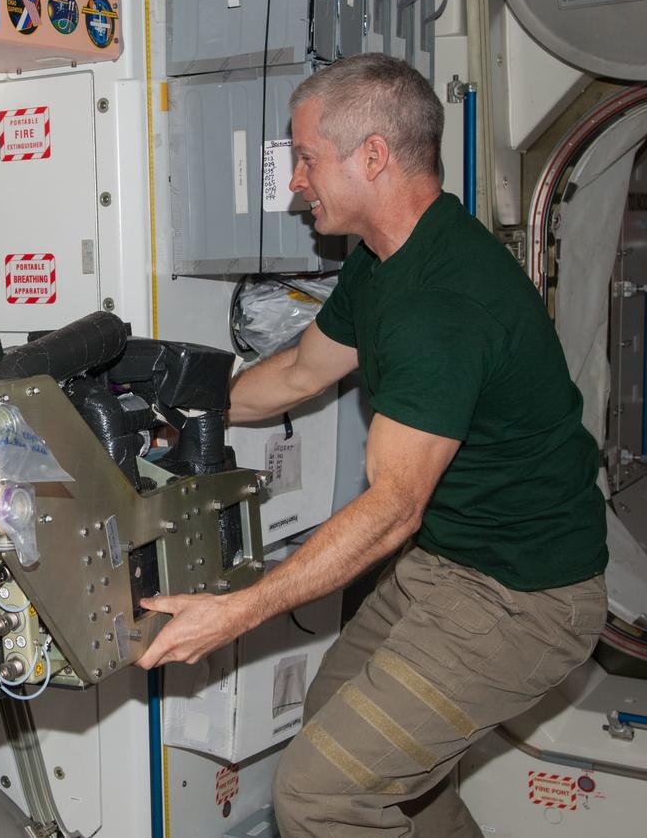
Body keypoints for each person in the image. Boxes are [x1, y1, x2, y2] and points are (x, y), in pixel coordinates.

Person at [136, 53, 608, 837]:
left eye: (306, 157)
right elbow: (295, 374)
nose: (294, 181)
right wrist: (170, 421)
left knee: (321, 796)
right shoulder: (388, 260)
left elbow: (392, 509)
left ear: (374, 157)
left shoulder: (441, 306)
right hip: (452, 562)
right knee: (345, 738)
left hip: (526, 597)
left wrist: (237, 612)